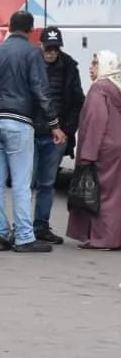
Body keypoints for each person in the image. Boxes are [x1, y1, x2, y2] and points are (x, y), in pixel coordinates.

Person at [0, 10, 65, 253]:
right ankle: (24, 236)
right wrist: (54, 125)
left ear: (9, 26)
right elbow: (40, 91)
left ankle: (0, 235)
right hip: (19, 122)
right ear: (30, 30)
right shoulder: (32, 53)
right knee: (21, 181)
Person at [31, 26, 84, 244]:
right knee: (27, 183)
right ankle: (23, 227)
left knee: (47, 183)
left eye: (55, 48)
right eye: (48, 47)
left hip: (56, 136)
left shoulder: (68, 66)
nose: (51, 52)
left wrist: (67, 130)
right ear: (40, 45)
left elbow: (77, 101)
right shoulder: (31, 63)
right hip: (32, 131)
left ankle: (41, 226)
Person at [66, 50, 121, 249]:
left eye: (95, 63)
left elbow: (94, 122)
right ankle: (114, 237)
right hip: (117, 148)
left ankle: (102, 238)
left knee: (101, 196)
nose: (91, 67)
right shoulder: (116, 87)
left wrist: (87, 155)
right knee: (115, 195)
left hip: (102, 149)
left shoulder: (99, 90)